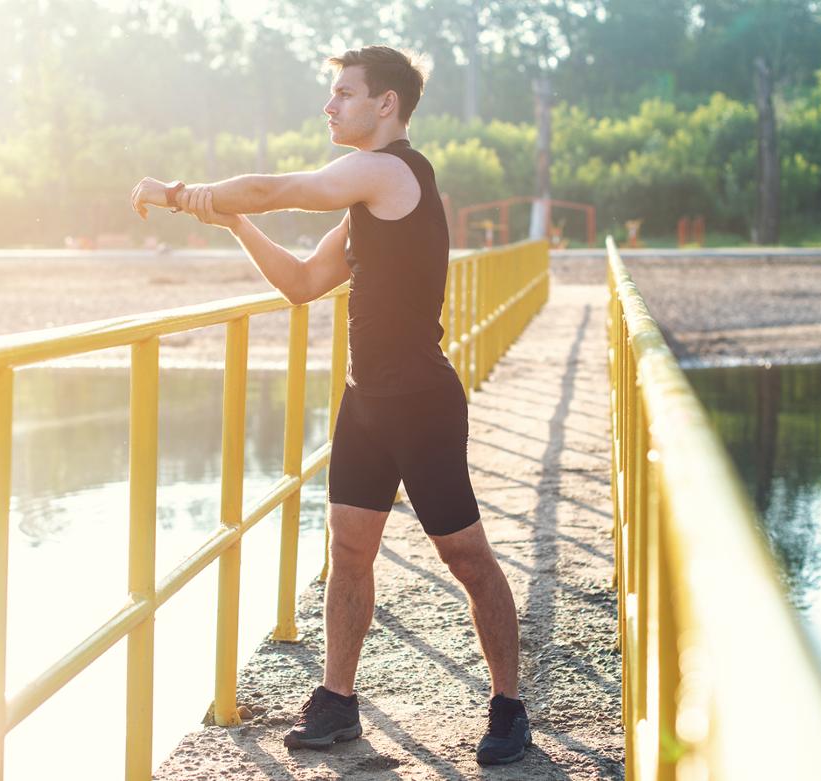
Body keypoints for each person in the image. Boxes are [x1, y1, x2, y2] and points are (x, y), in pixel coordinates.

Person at [131, 45, 531, 767]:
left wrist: (186, 193)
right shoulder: (366, 202)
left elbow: (277, 187)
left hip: (422, 404)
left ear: (386, 106)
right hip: (366, 403)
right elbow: (304, 282)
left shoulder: (392, 170)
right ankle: (338, 701)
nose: (330, 105)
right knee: (349, 552)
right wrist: (234, 226)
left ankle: (509, 707)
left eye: (344, 93)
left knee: (466, 557)